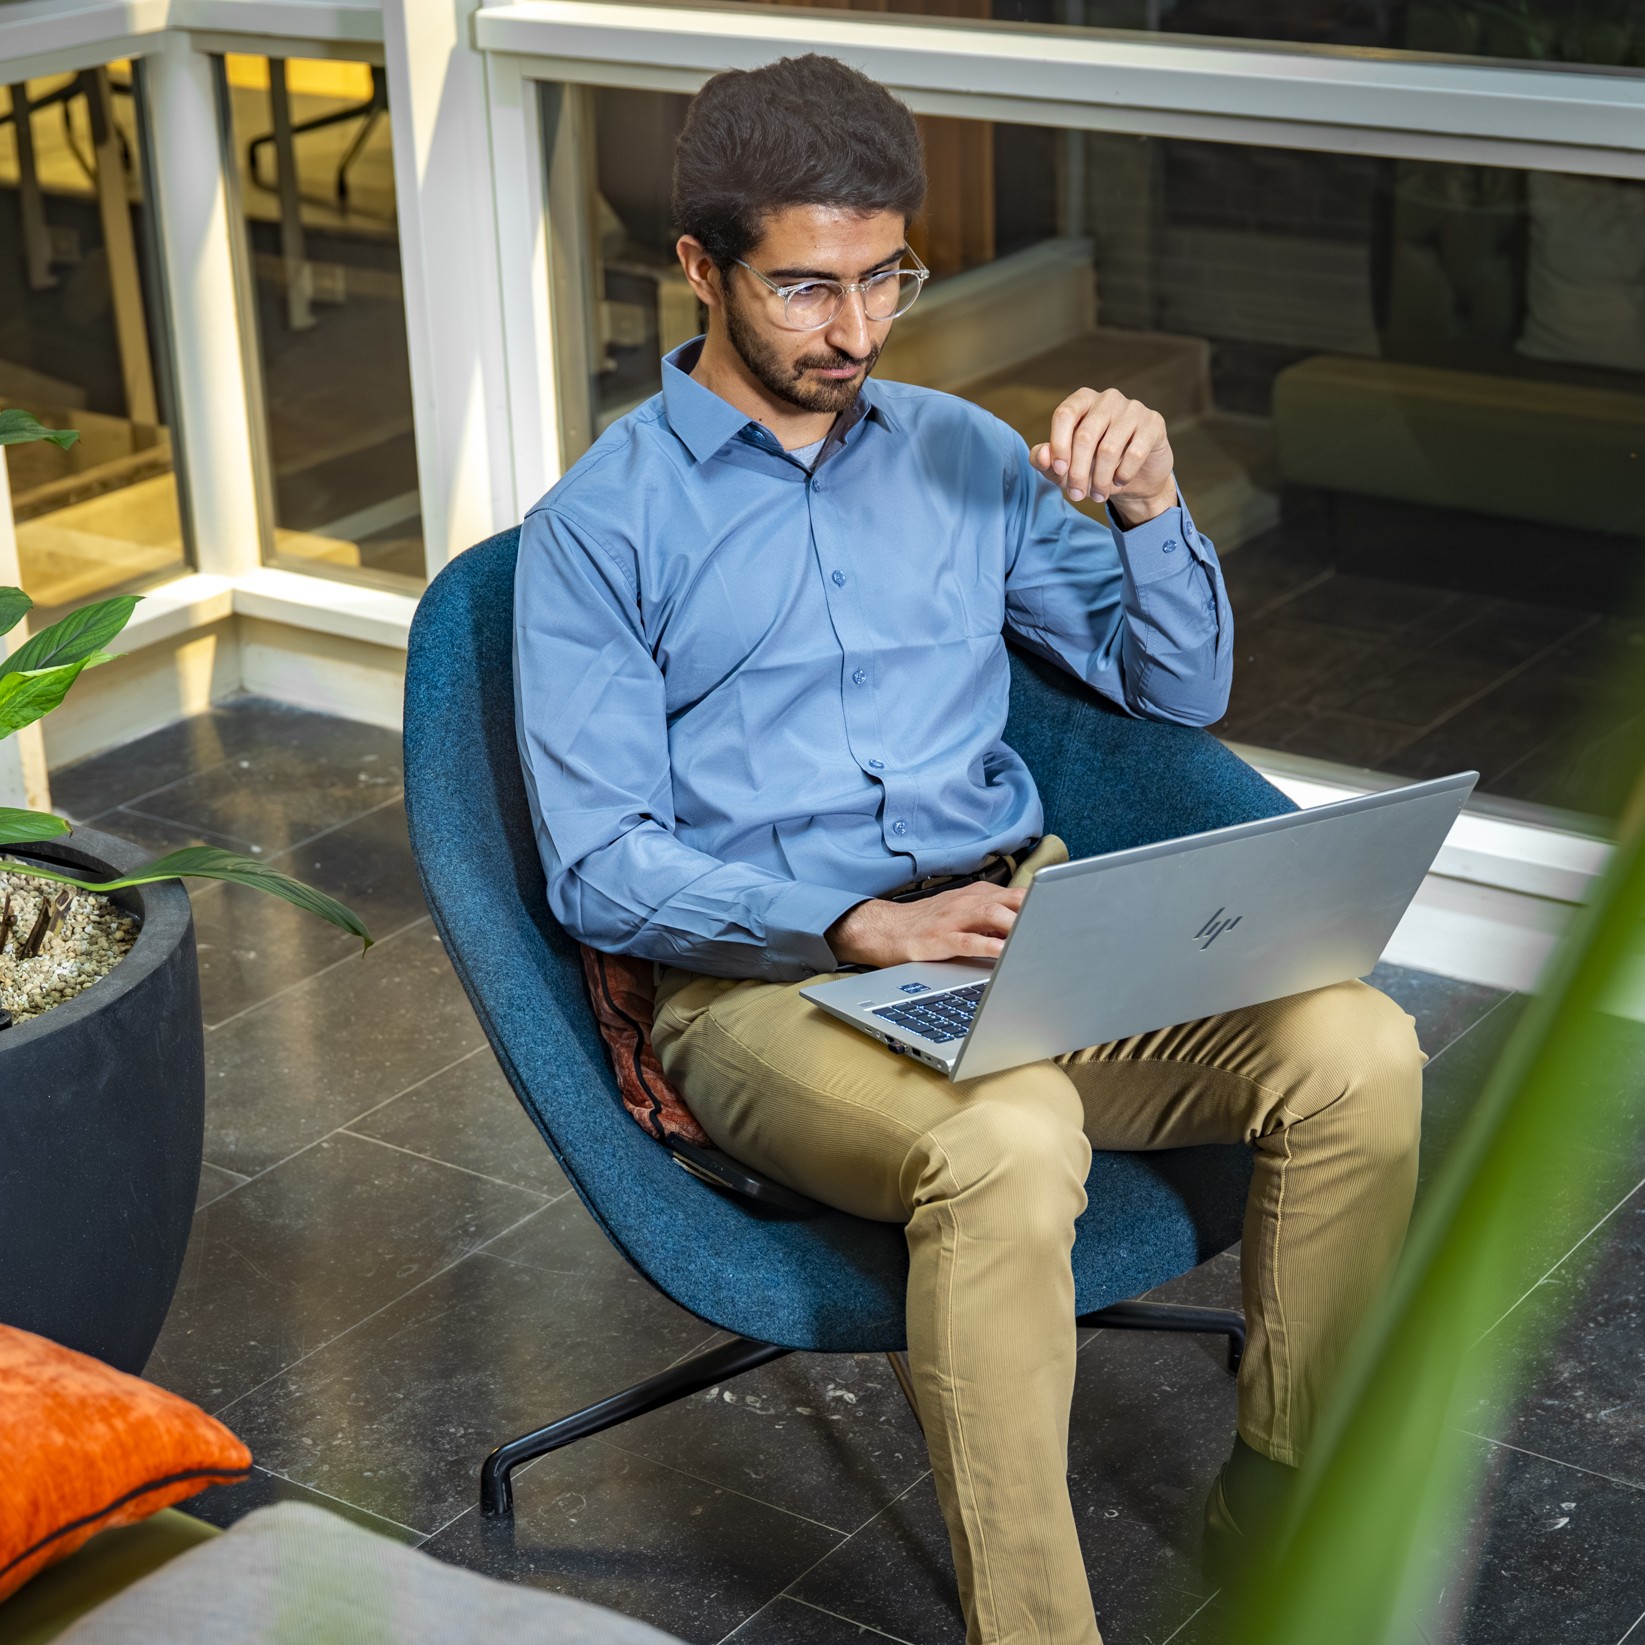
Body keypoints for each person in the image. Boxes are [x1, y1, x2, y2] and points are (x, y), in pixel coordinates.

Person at [513, 53, 1424, 1645]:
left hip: (1025, 926)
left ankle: (1278, 1497)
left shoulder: (957, 450)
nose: (854, 334)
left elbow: (1176, 690)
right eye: (805, 288)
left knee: (1357, 1044)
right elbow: (597, 865)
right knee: (1007, 1144)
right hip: (767, 987)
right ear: (698, 269)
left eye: (885, 282)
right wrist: (852, 922)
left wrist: (1150, 512)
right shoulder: (601, 527)